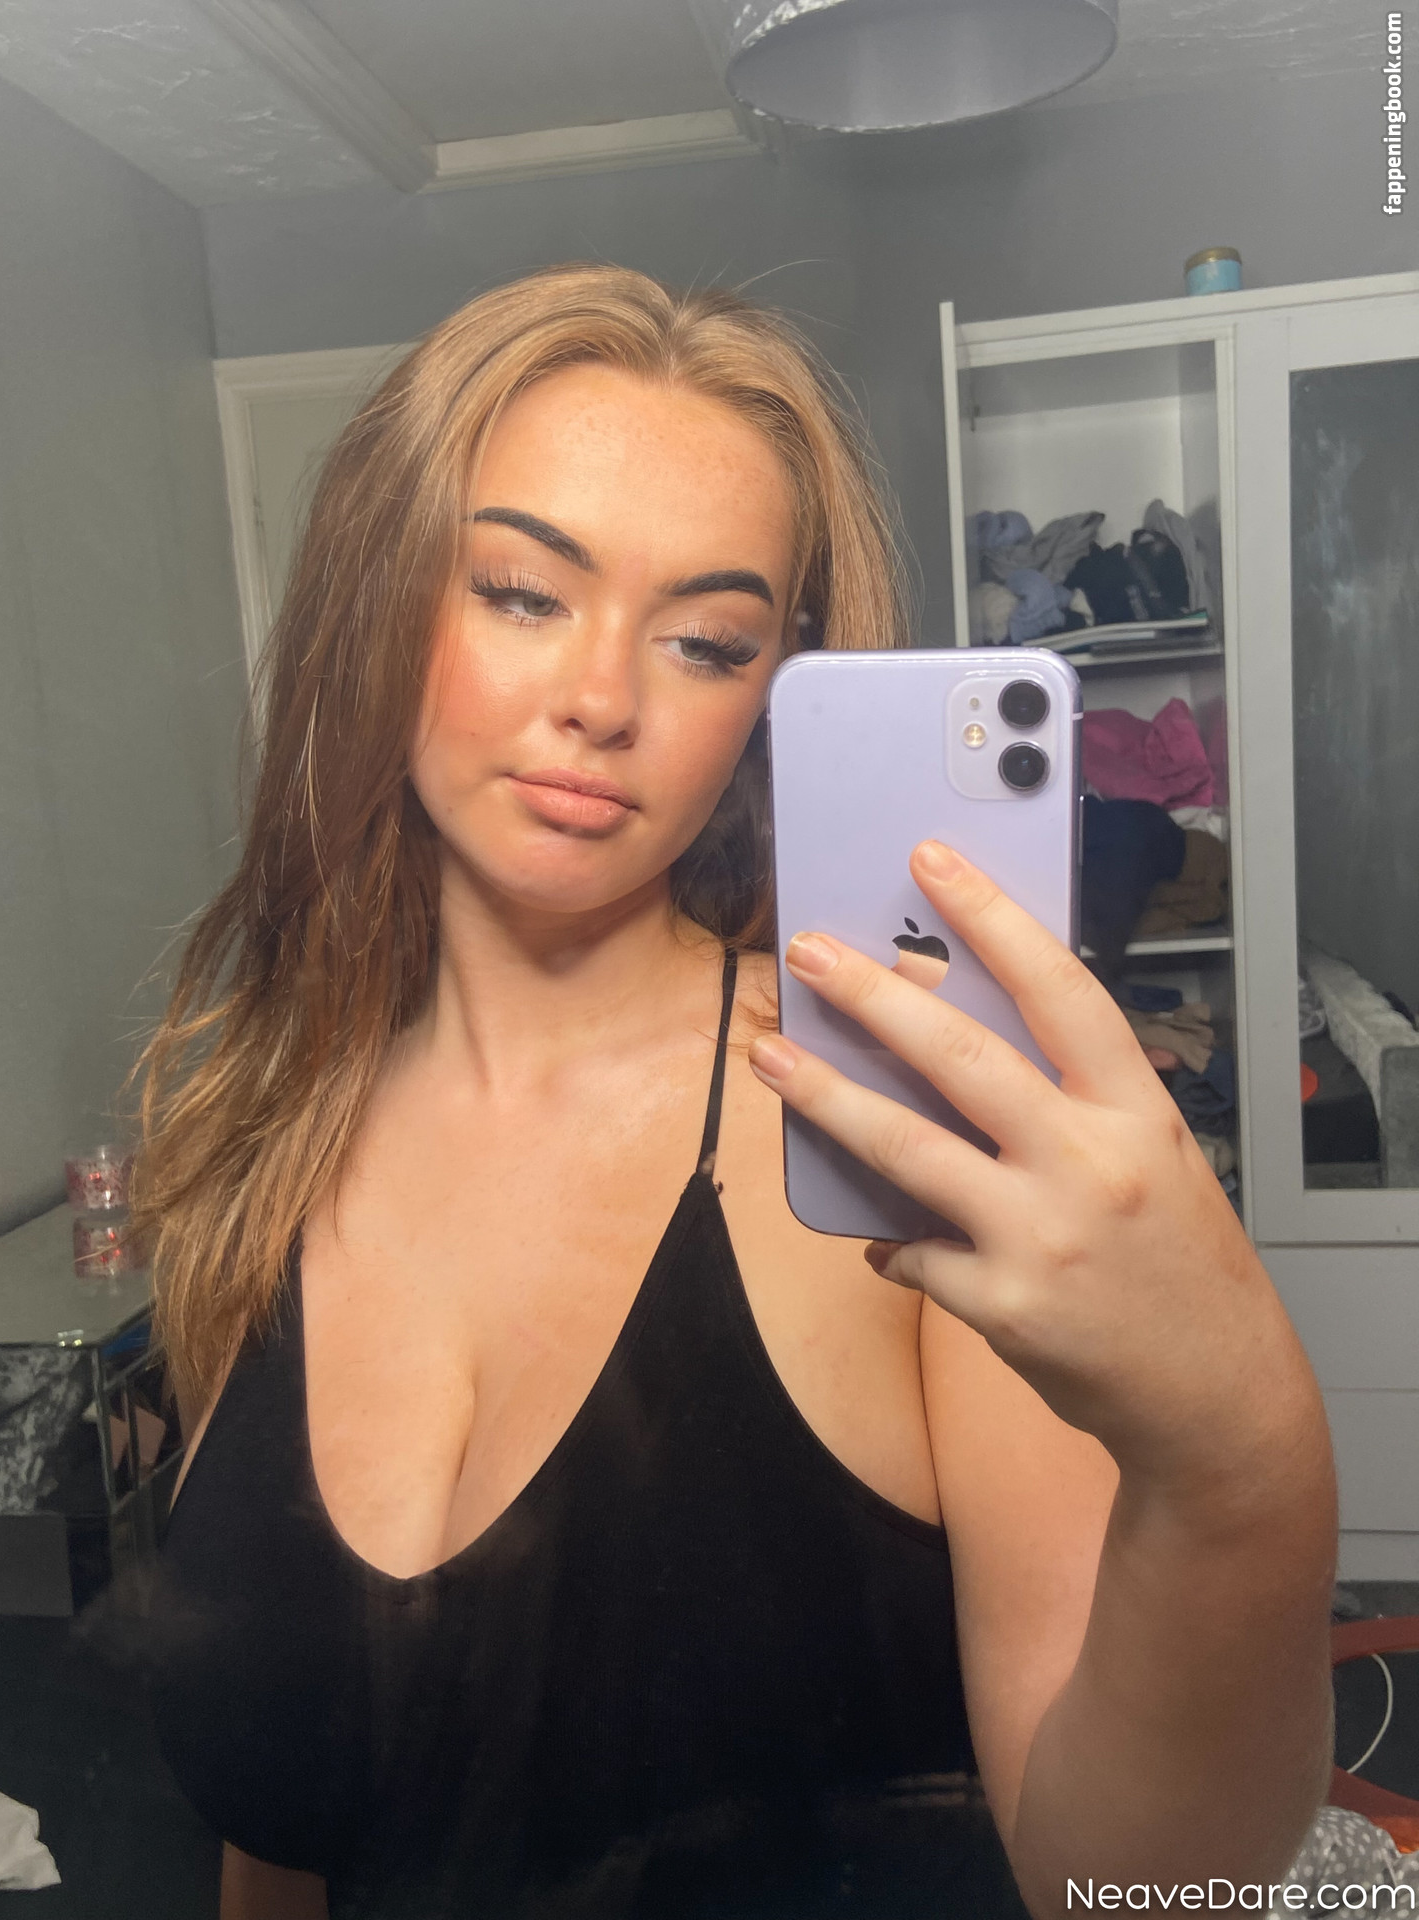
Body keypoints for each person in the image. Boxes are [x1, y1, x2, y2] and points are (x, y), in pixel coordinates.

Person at [138, 265, 1336, 1920]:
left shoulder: (889, 1122)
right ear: (376, 600)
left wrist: (1244, 1458)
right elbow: (282, 1835)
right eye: (521, 592)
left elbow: (1133, 1887)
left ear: (774, 701)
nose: (604, 699)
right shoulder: (255, 1143)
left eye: (707, 641)